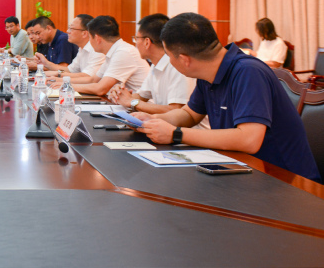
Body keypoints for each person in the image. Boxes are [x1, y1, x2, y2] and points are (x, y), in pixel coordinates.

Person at [135, 13, 320, 182]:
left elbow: (249, 140)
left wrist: (176, 134)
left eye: (168, 55)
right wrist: (152, 120)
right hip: (240, 170)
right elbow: (189, 114)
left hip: (285, 181)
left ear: (184, 59)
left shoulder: (248, 72)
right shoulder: (207, 74)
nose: (169, 61)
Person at [108, 13, 197, 115]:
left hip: (182, 125)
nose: (135, 43)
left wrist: (132, 102)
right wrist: (120, 94)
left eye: (136, 38)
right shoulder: (155, 64)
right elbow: (141, 96)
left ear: (147, 42)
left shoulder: (177, 66)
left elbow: (176, 111)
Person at [71, 15, 150, 97]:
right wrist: (64, 82)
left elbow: (101, 89)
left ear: (97, 38)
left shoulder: (123, 52)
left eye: (90, 38)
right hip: (125, 102)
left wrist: (68, 86)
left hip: (138, 103)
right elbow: (93, 80)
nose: (89, 43)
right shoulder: (113, 51)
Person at [46, 14, 105, 83]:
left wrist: (58, 75)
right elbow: (70, 70)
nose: (67, 31)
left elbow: (88, 77)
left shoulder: (97, 50)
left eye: (71, 28)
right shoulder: (81, 48)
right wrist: (45, 63)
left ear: (84, 33)